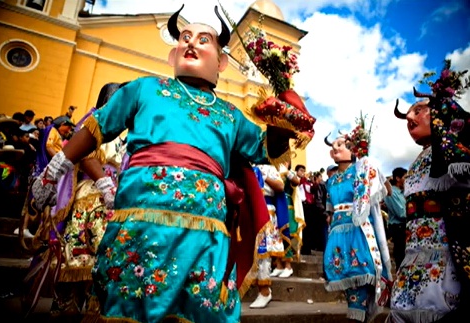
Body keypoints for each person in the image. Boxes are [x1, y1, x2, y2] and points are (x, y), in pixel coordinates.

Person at [30, 4, 312, 323]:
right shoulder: (145, 89)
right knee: (125, 310)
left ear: (220, 63)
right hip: (137, 228)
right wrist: (55, 170)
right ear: (172, 56)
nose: (191, 42)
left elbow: (264, 149)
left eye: (203, 39)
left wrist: (280, 117)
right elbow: (98, 127)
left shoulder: (230, 114)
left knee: (198, 313)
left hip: (205, 235)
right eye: (185, 37)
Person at [21, 83, 127, 321]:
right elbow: (87, 155)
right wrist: (105, 184)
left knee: (97, 262)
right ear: (109, 101)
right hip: (90, 198)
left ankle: (85, 310)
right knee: (82, 259)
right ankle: (67, 310)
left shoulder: (117, 130)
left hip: (107, 200)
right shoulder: (94, 121)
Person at [386, 61, 469, 322]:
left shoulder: (457, 155)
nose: (409, 118)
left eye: (419, 110)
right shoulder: (418, 161)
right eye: (409, 115)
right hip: (413, 259)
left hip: (445, 261)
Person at [323, 116, 392, 322]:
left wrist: (369, 169)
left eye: (341, 145)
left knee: (360, 279)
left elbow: (385, 190)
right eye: (333, 146)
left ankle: (358, 317)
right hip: (337, 232)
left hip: (358, 230)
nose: (335, 148)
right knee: (346, 282)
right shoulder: (331, 180)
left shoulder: (361, 169)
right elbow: (329, 211)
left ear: (354, 149)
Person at [249, 163, 287, 309]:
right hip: (248, 211)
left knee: (263, 253)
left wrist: (262, 175)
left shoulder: (268, 167)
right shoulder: (245, 166)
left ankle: (264, 291)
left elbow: (280, 186)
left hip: (265, 211)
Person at [383, 167, 407, 269]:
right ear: (398, 178)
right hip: (398, 228)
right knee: (401, 257)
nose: (408, 180)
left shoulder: (404, 193)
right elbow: (401, 213)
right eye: (405, 177)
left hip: (404, 226)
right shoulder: (391, 193)